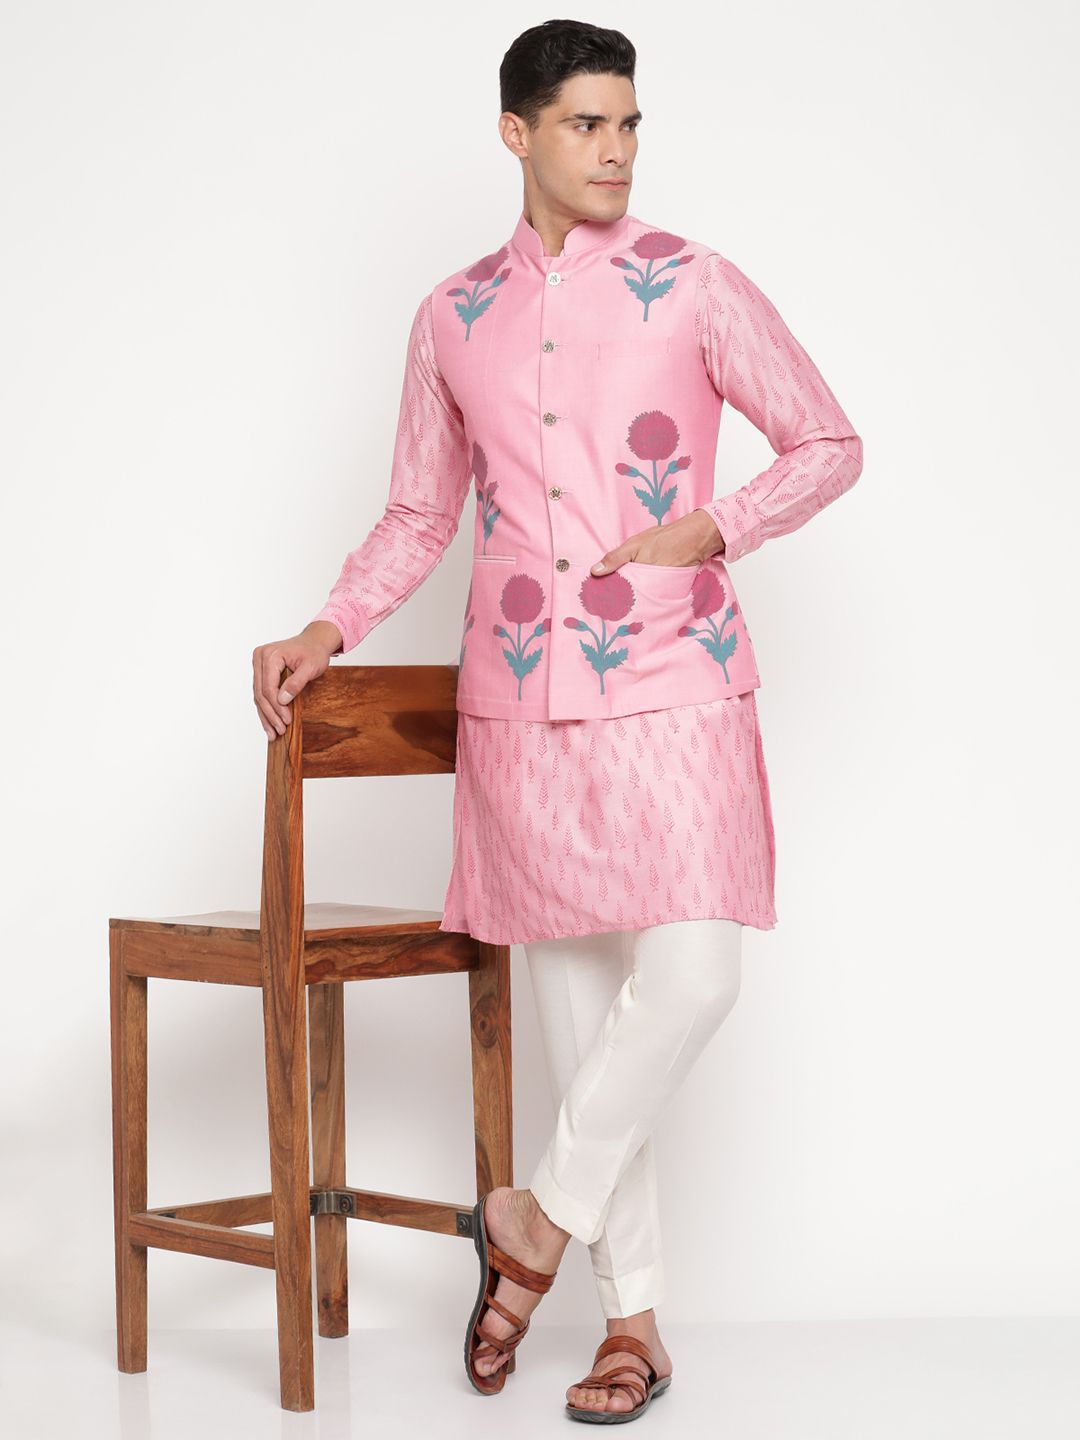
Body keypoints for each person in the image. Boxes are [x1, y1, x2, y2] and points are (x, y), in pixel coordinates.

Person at [252, 18, 863, 1422]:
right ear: (516, 133)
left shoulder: (693, 283)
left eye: (631, 123)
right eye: (588, 124)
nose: (617, 150)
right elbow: (419, 512)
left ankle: (527, 1224)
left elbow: (828, 441)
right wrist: (326, 629)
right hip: (520, 706)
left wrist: (714, 524)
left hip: (675, 672)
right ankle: (630, 1329)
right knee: (588, 1031)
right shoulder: (450, 316)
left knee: (694, 973)